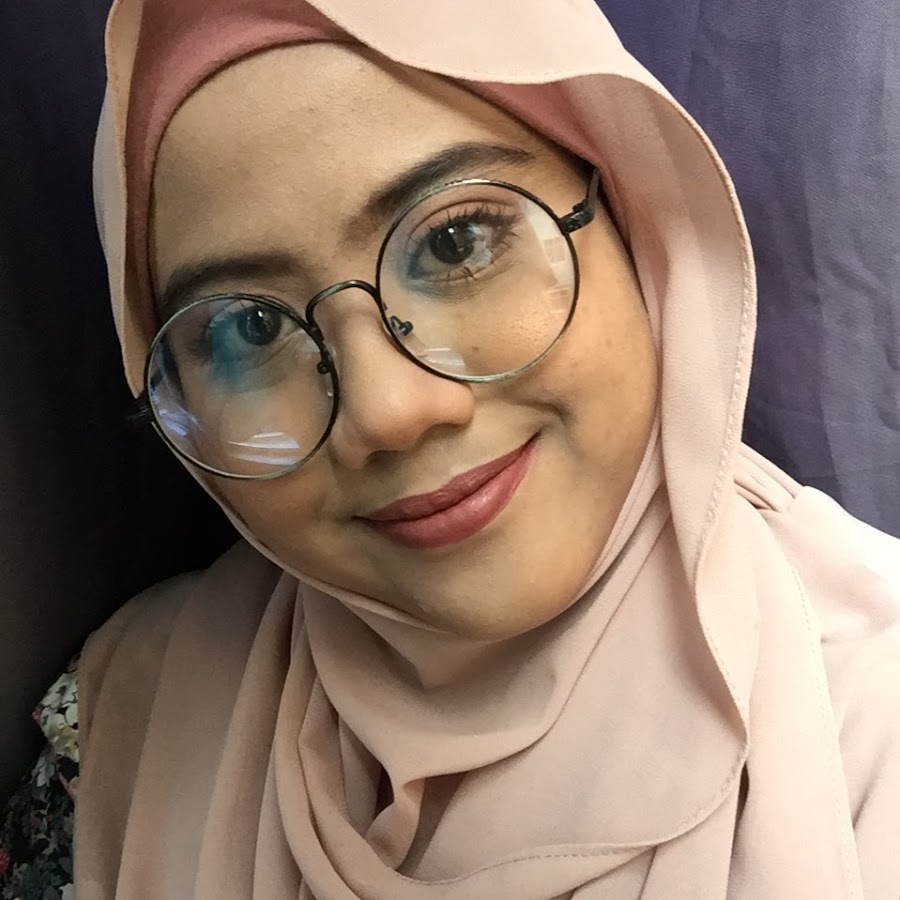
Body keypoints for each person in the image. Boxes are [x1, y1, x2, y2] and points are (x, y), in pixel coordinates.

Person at [2, 0, 899, 897]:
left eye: (456, 241)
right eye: (247, 330)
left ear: (633, 214)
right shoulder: (125, 725)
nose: (389, 411)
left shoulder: (870, 726)